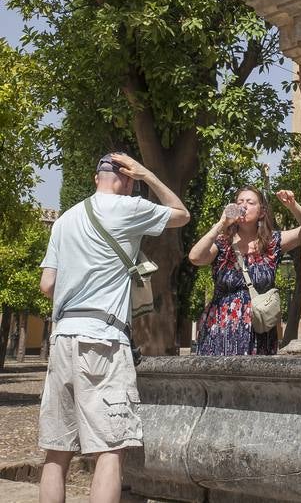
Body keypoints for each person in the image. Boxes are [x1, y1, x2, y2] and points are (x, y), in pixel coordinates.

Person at [38, 152, 190, 503]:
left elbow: (48, 284)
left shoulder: (66, 219)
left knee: (57, 450)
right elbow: (181, 214)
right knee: (110, 448)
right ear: (128, 179)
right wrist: (150, 174)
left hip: (62, 336)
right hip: (103, 339)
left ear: (96, 178)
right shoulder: (128, 207)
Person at [189, 186, 301, 355]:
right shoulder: (222, 243)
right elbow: (195, 257)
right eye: (239, 202)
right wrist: (221, 224)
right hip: (221, 328)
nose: (244, 206)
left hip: (259, 328)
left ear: (262, 212)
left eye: (250, 202)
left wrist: (293, 206)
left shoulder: (273, 242)